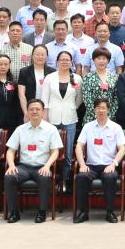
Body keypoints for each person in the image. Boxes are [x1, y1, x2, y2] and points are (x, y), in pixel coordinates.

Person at [4, 99, 62, 223]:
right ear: (27, 112)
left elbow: (55, 152)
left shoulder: (51, 129)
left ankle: (42, 212)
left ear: (43, 112)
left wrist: (47, 166)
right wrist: (12, 165)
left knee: (45, 177)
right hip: (24, 167)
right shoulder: (20, 129)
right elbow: (10, 151)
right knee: (9, 177)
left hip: (42, 166)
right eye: (31, 109)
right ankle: (14, 212)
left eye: (37, 109)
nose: (34, 111)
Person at [74, 98, 125, 223]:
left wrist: (114, 164)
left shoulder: (116, 127)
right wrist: (82, 164)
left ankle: (110, 212)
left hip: (109, 165)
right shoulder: (88, 127)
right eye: (98, 108)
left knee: (110, 177)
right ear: (94, 110)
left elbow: (122, 149)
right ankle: (83, 212)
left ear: (108, 110)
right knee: (81, 177)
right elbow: (79, 146)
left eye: (103, 108)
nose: (101, 110)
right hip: (91, 166)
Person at [42, 50, 82, 185]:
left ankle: (65, 181)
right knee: (51, 149)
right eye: (62, 60)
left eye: (67, 60)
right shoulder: (49, 78)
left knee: (68, 151)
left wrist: (71, 107)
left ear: (71, 62)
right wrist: (45, 117)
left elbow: (79, 99)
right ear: (57, 62)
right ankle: (50, 179)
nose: (64, 62)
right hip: (51, 118)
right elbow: (44, 99)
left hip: (70, 118)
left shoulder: (77, 78)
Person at [81, 48, 118, 124]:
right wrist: (97, 115)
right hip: (91, 118)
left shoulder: (114, 77)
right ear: (93, 60)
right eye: (98, 58)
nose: (101, 61)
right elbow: (86, 98)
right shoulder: (88, 77)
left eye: (104, 59)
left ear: (108, 61)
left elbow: (116, 98)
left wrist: (109, 115)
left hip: (109, 118)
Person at [17, 45, 51, 115]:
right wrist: (26, 112)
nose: (40, 57)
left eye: (42, 55)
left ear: (47, 56)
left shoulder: (52, 72)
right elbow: (21, 94)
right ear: (32, 56)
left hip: (47, 109)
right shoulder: (24, 71)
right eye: (37, 54)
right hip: (30, 109)